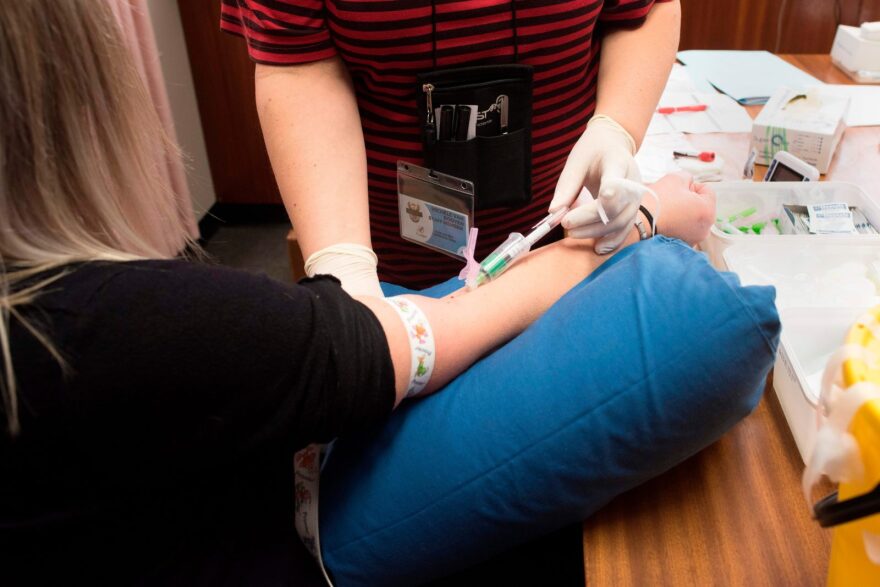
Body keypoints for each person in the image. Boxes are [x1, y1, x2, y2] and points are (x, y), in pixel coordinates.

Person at [0, 2, 780, 585]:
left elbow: (370, 346)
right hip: (326, 466)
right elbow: (368, 350)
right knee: (707, 317)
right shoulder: (134, 326)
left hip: (464, 282)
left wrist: (614, 126)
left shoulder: (106, 330)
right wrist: (641, 223)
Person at [221, 0, 682, 293]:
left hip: (562, 241)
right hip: (387, 261)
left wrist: (617, 126)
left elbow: (644, 9)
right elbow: (298, 64)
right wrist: (346, 267)